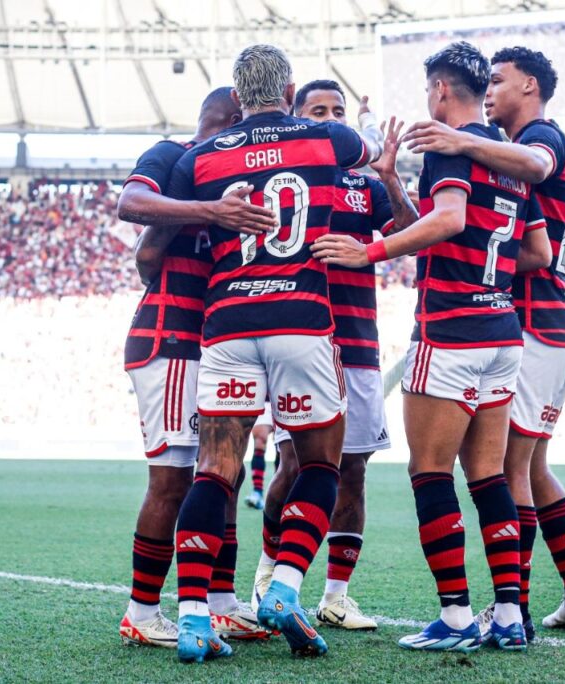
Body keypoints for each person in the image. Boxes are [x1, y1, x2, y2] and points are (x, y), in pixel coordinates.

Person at [314, 41, 550, 653]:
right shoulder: (508, 159)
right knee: (489, 477)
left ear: (442, 90)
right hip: (504, 332)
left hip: (450, 331)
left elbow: (445, 223)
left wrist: (368, 250)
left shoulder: (450, 147)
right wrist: (391, 179)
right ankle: (506, 614)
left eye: (428, 91)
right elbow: (531, 251)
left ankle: (454, 615)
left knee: (430, 474)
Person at [166, 44, 384, 662]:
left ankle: (192, 619)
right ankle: (286, 586)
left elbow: (175, 218)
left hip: (228, 322)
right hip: (302, 321)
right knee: (320, 465)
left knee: (215, 470)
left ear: (237, 96)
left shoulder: (203, 157)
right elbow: (373, 156)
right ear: (289, 90)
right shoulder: (329, 138)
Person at [402, 46, 565, 634]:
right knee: (531, 467)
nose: (490, 91)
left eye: (500, 81)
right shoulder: (503, 158)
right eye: (484, 82)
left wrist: (461, 140)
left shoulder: (539, 137)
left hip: (528, 320)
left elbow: (538, 168)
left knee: (502, 471)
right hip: (545, 321)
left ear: (532, 88)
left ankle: (503, 608)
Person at [250, 79, 417, 632]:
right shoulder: (280, 176)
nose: (330, 118)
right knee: (294, 464)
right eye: (317, 111)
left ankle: (336, 596)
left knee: (354, 472)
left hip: (358, 343)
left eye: (337, 111)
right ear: (297, 119)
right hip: (297, 340)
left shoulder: (359, 185)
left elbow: (414, 234)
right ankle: (269, 571)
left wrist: (389, 176)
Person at [116, 87, 276, 648]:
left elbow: (148, 256)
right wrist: (211, 210)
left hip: (217, 345)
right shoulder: (173, 155)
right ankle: (141, 611)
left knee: (222, 473)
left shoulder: (237, 177)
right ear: (237, 119)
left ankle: (222, 601)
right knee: (173, 480)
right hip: (172, 339)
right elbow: (132, 206)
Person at [245, 405, 274, 510]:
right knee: (260, 438)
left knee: (285, 448)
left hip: (286, 397)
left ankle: (282, 491)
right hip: (265, 402)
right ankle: (257, 492)